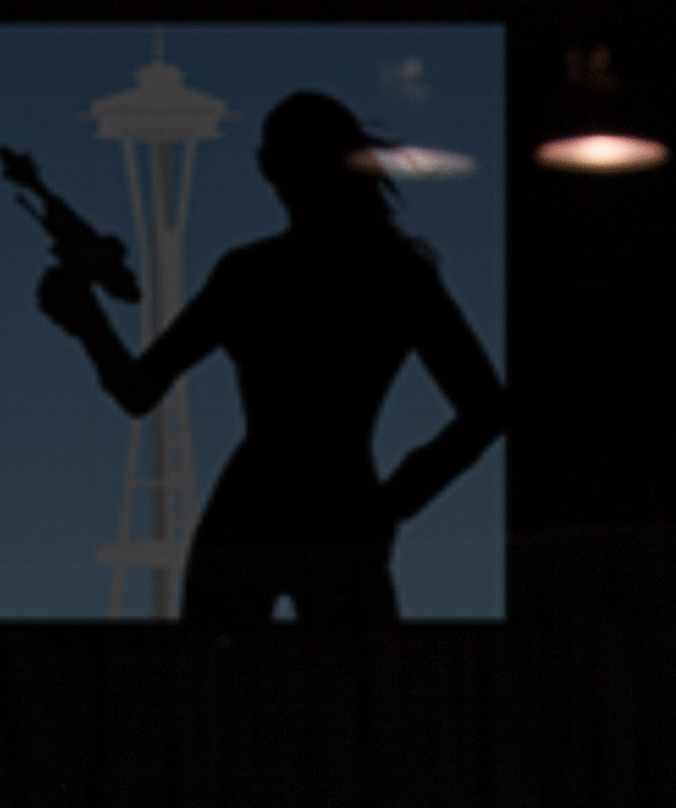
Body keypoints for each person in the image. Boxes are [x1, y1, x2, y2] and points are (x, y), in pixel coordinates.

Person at [36, 86, 507, 629]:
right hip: (341, 506)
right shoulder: (395, 276)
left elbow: (137, 390)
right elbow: (486, 409)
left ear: (267, 167)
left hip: (250, 512)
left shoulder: (252, 275)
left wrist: (88, 322)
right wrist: (391, 502)